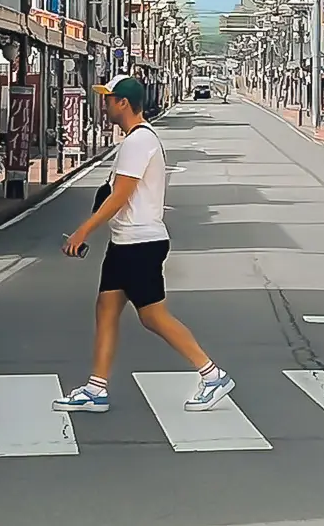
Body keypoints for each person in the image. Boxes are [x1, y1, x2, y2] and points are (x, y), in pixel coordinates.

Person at [54, 75, 235, 414]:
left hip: (140, 242)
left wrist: (83, 231)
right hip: (124, 241)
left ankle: (212, 375)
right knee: (106, 308)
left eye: (109, 99)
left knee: (152, 316)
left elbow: (120, 195)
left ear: (123, 103)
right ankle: (96, 388)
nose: (105, 104)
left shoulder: (139, 141)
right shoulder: (135, 140)